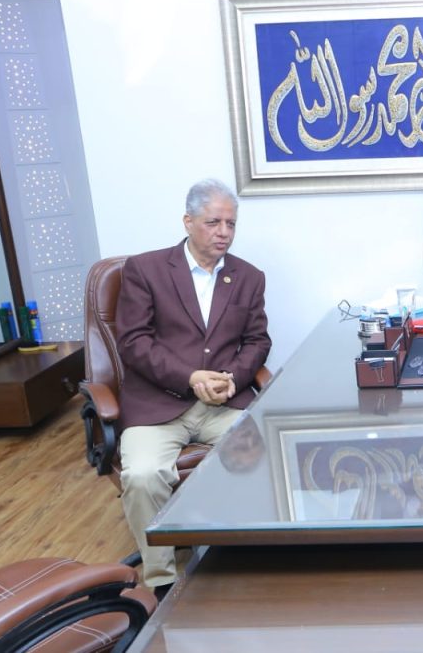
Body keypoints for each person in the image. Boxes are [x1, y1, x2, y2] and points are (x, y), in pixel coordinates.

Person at [114, 178, 270, 597]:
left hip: (222, 403)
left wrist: (232, 378)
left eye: (231, 224)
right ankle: (163, 581)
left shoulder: (249, 277)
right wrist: (190, 377)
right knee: (144, 475)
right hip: (158, 405)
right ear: (188, 221)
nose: (223, 233)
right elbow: (133, 342)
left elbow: (258, 341)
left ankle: (235, 561)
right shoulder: (145, 269)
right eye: (213, 222)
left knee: (260, 459)